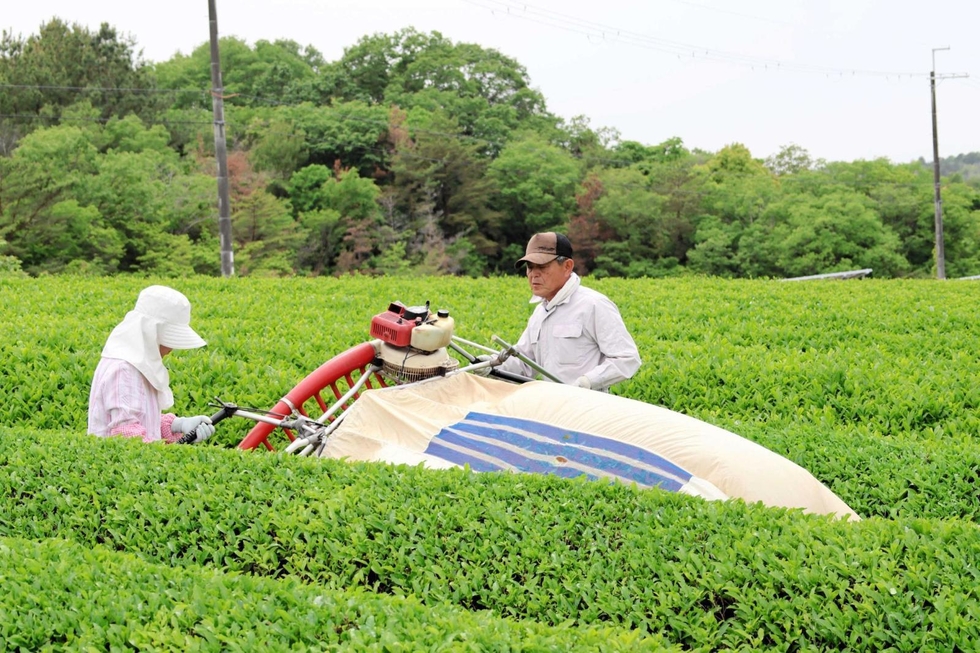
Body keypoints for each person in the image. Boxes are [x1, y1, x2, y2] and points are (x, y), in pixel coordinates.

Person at [494, 232, 641, 392]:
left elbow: (627, 358)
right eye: (530, 267)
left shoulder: (593, 305)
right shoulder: (540, 312)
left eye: (542, 266)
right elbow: (524, 362)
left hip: (587, 404)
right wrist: (490, 365)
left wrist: (587, 382)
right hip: (554, 404)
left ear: (567, 267)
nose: (534, 274)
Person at [88, 285, 215, 444]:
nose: (171, 348)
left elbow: (141, 419)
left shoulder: (135, 364)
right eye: (169, 339)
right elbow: (127, 436)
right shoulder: (124, 370)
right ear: (151, 332)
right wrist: (170, 453)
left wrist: (177, 425)